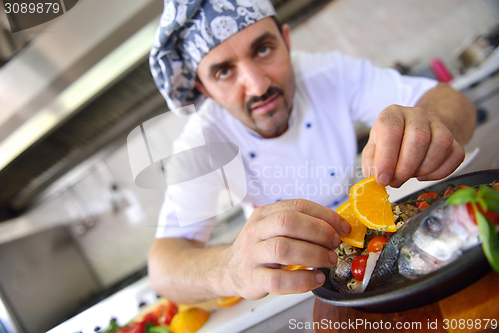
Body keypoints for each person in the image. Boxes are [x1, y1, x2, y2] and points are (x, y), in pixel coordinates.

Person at [147, 0, 476, 304]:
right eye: (223, 71)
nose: (258, 85)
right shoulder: (201, 142)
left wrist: (432, 126)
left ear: (286, 41)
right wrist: (228, 268)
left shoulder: (328, 74)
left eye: (263, 49)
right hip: (293, 285)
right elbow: (164, 267)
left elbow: (450, 100)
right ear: (204, 89)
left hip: (374, 247)